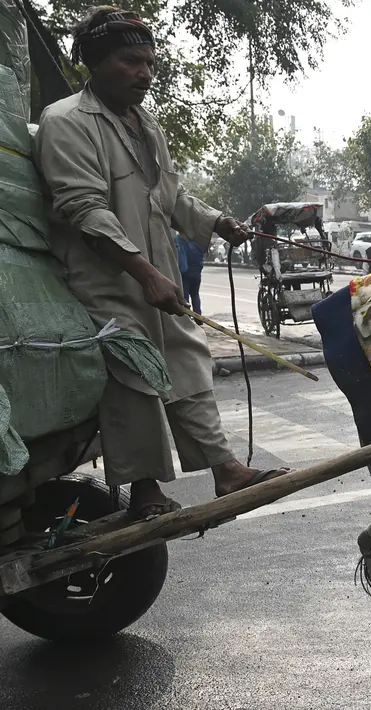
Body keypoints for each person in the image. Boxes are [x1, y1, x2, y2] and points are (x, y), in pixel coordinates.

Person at [34, 6, 287, 519]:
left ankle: (225, 469)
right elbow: (84, 209)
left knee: (186, 358)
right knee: (133, 378)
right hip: (103, 281)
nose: (145, 73)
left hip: (156, 274)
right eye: (131, 61)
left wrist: (218, 222)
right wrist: (145, 275)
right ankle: (144, 491)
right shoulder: (66, 122)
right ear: (96, 61)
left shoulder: (144, 124)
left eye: (150, 63)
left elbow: (166, 197)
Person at [175, 232, 204, 314]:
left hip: (186, 274)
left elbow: (181, 259)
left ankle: (187, 316)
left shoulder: (183, 244)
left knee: (185, 295)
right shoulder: (198, 245)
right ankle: (198, 317)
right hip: (197, 274)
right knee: (195, 294)